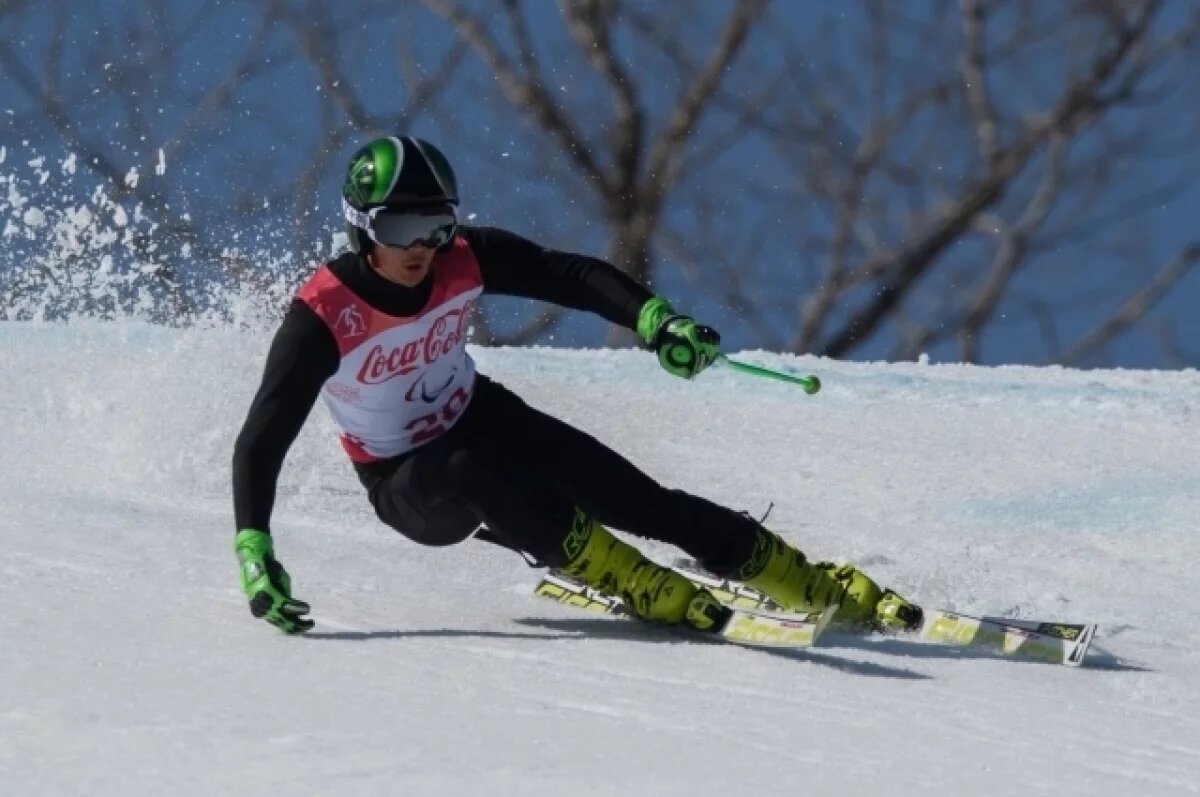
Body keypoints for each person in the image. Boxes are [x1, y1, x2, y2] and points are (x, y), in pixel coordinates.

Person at [231, 134, 921, 636]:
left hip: (479, 415)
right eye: (401, 226)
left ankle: (807, 580)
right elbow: (263, 437)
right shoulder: (324, 317)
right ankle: (620, 572)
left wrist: (656, 321)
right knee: (465, 467)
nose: (421, 246)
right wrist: (255, 549)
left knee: (637, 498)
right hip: (405, 482)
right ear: (362, 228)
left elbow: (570, 275)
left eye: (436, 224)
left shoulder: (461, 258)